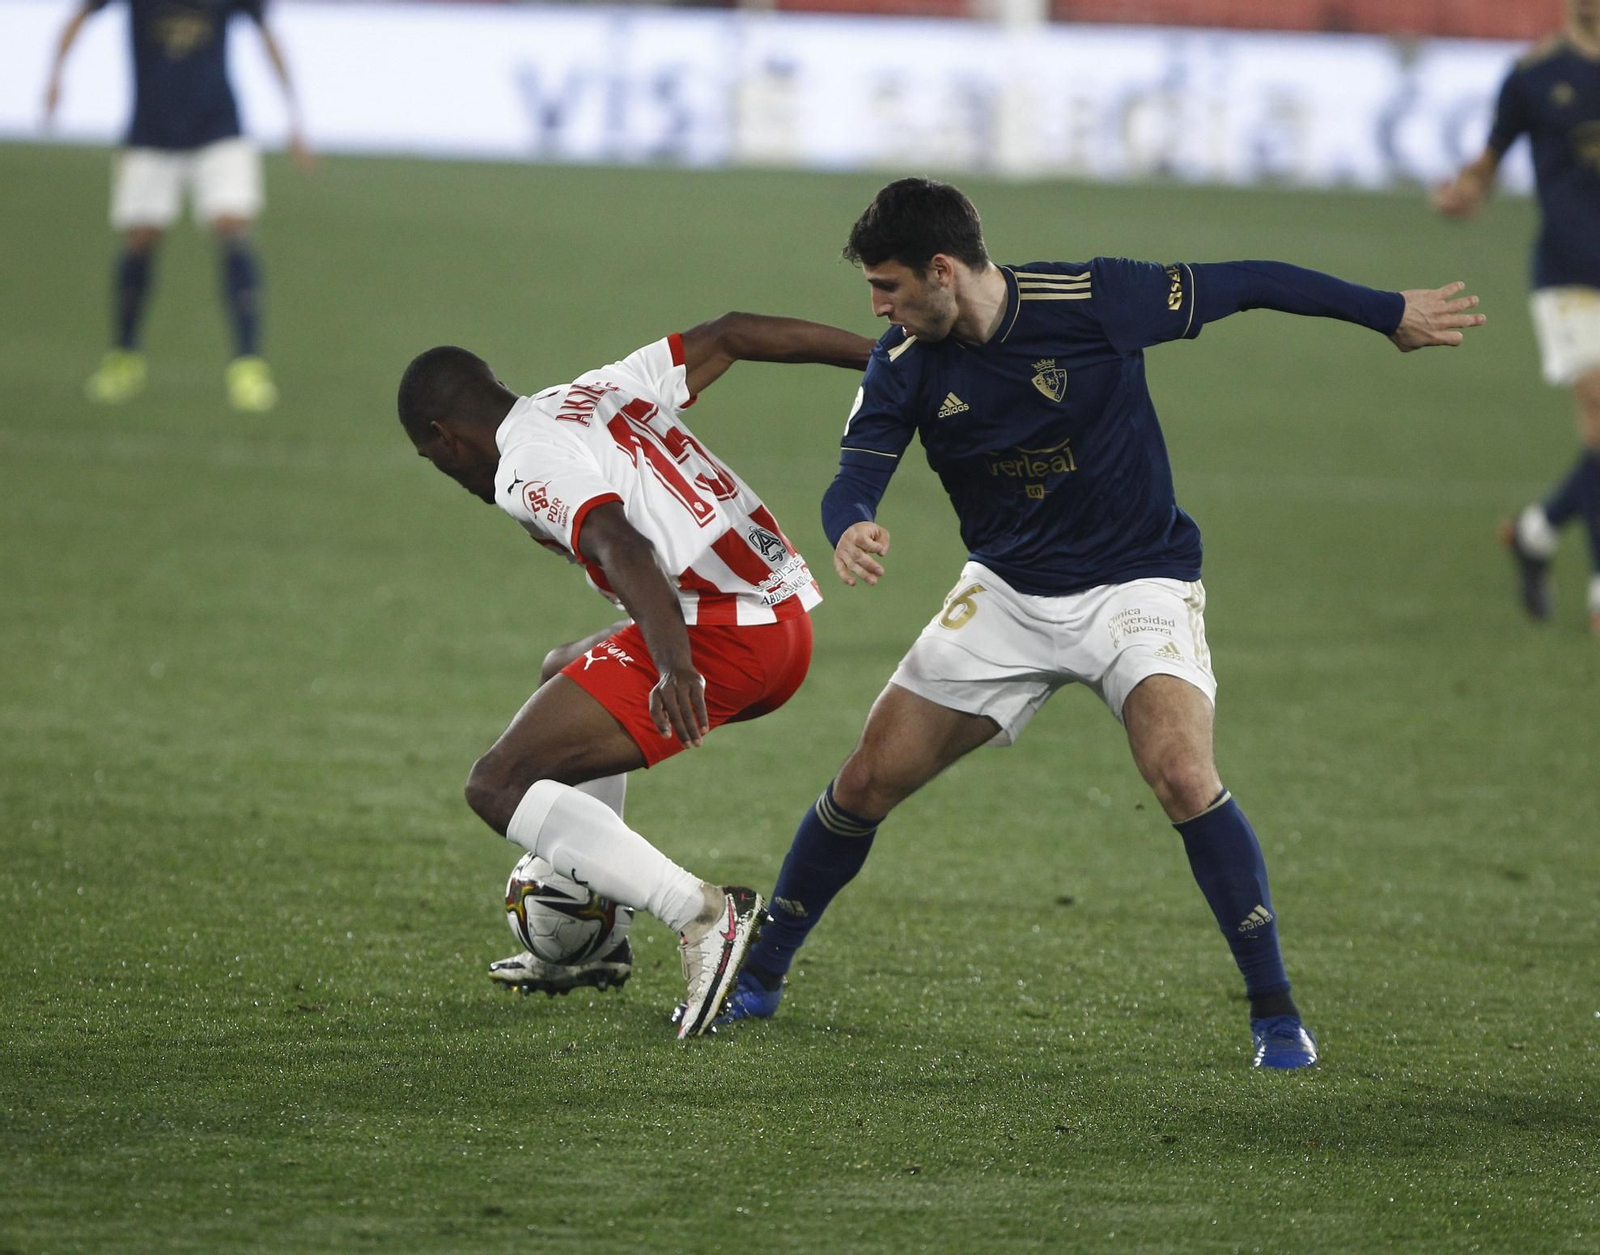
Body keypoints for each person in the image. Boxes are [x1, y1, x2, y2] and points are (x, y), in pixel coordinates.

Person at [715, 177, 1485, 1068]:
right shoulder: (902, 363)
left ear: (941, 271)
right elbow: (856, 470)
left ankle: (1276, 1016)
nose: (878, 308)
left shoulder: (1094, 300)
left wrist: (1387, 311)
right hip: (1005, 593)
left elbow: (1251, 281)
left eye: (887, 287)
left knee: (1182, 774)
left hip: (1138, 583)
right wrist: (849, 524)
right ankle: (764, 971)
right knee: (864, 781)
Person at [396, 313, 872, 1040]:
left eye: (436, 460)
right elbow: (736, 333)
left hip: (728, 639)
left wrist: (676, 663)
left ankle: (702, 912)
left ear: (445, 437)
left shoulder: (526, 464)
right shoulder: (593, 390)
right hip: (779, 618)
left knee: (497, 783)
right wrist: (885, 361)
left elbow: (620, 541)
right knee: (561, 668)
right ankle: (596, 940)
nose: (451, 473)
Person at [43, 0, 314, 412]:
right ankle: (124, 358)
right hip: (151, 131)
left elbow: (267, 34)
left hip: (219, 128)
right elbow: (79, 15)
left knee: (233, 228)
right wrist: (56, 76)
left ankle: (248, 364)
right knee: (140, 238)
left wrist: (294, 115)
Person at [1434, 0, 1600, 632]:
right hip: (1569, 277)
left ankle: (1537, 531)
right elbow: (1489, 160)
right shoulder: (1532, 76)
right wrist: (1465, 192)